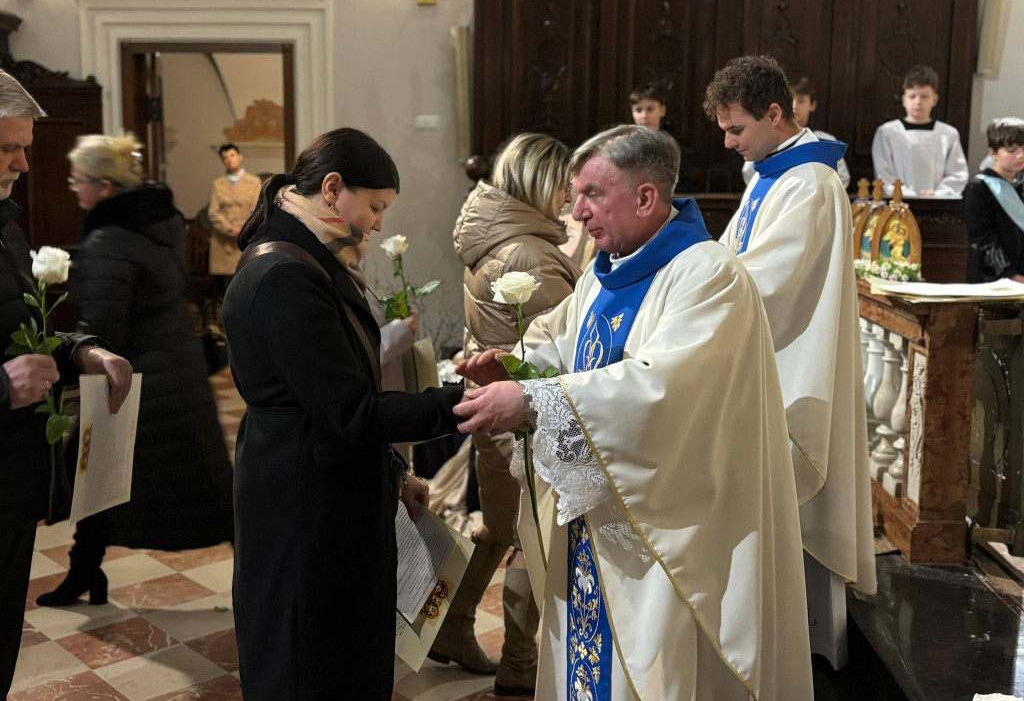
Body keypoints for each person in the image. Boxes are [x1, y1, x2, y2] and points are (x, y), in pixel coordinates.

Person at [455, 125, 813, 700]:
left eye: (592, 195)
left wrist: (533, 400)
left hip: (667, 534)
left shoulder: (706, 275)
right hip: (599, 521)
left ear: (646, 198)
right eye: (576, 195)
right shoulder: (610, 267)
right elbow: (567, 343)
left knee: (655, 670)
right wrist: (519, 367)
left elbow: (661, 391)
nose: (576, 212)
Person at [222, 127, 465, 701]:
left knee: (342, 653)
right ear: (332, 188)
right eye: (375, 206)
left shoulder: (310, 258)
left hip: (324, 487)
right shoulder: (285, 275)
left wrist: (395, 474)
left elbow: (336, 394)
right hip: (304, 506)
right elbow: (352, 410)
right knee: (310, 663)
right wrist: (464, 403)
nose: (378, 224)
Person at [705, 55, 877, 669]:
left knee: (794, 508)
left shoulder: (810, 183)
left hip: (793, 365)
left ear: (775, 114)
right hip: (767, 359)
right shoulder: (771, 173)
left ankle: (801, 653)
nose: (729, 143)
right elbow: (731, 252)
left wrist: (691, 291)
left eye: (737, 129)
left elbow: (768, 279)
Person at [36, 134, 235, 608]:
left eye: (78, 180)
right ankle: (85, 572)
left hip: (134, 382)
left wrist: (68, 353)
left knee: (106, 475)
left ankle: (267, 581)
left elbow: (105, 326)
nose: (73, 188)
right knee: (127, 479)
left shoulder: (109, 238)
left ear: (104, 187)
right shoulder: (157, 225)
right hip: (176, 375)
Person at [0, 69, 133, 696]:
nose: (24, 164)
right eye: (8, 148)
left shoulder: (6, 226)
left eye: (24, 147)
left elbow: (22, 333)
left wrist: (82, 351)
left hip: (11, 481)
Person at [445, 133, 580, 695]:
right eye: (564, 184)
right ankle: (520, 664)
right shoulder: (527, 251)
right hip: (523, 416)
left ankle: (452, 624)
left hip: (495, 408)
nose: (571, 195)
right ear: (539, 182)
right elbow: (568, 343)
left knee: (500, 525)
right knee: (531, 533)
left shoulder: (496, 236)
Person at [871, 64, 969, 198]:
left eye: (924, 96)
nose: (918, 102)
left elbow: (957, 174)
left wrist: (937, 194)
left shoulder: (948, 134)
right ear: (904, 100)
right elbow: (884, 174)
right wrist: (907, 194)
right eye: (912, 96)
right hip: (898, 201)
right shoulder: (887, 132)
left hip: (937, 202)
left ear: (934, 99)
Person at [741, 76, 851, 189]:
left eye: (801, 101)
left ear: (812, 105)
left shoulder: (827, 141)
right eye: (790, 100)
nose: (794, 106)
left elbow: (842, 177)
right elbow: (749, 171)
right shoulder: (769, 139)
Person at [963, 117, 1024, 283]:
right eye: (1011, 150)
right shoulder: (978, 188)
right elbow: (983, 240)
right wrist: (1010, 275)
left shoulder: (1021, 183)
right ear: (993, 153)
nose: (1020, 155)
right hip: (992, 279)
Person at [629, 83, 698, 194]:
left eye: (650, 109)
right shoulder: (626, 145)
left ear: (662, 110)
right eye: (638, 110)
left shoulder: (673, 146)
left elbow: (686, 185)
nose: (644, 116)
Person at [208, 143, 262, 276]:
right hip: (225, 239)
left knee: (247, 276)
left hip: (246, 237)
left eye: (232, 155)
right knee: (227, 281)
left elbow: (257, 210)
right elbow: (213, 212)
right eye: (225, 157)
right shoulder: (218, 184)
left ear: (239, 156)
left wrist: (243, 229)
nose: (229, 159)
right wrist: (228, 228)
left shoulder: (254, 181)